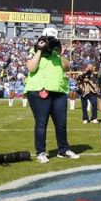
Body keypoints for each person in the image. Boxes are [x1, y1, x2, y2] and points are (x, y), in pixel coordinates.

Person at [25, 26, 77, 162]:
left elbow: (67, 67)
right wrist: (40, 50)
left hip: (58, 91)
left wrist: (59, 52)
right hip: (39, 90)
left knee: (61, 123)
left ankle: (63, 149)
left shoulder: (56, 54)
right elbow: (31, 67)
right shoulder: (33, 51)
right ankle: (40, 152)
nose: (51, 43)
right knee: (41, 123)